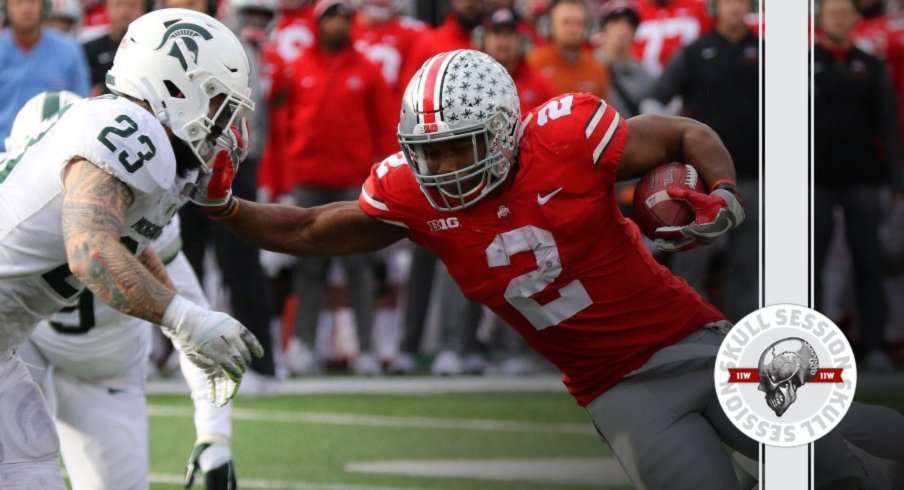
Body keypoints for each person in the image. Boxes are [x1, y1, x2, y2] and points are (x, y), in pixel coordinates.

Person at [0, 8, 263, 488]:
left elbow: (123, 239)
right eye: (218, 103)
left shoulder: (145, 148)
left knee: (32, 468)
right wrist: (185, 320)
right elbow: (90, 250)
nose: (228, 125)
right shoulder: (131, 129)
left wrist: (184, 327)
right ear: (176, 88)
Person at [645, 0, 759, 323]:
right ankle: (684, 332)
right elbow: (656, 99)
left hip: (754, 174)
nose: (734, 8)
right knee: (693, 260)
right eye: (728, 2)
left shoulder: (765, 51)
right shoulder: (695, 52)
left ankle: (744, 338)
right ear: (716, 7)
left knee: (748, 265)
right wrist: (666, 150)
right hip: (704, 180)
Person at [815, 0, 904, 370]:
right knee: (811, 263)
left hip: (864, 177)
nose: (837, 18)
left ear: (854, 20)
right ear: (820, 19)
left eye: (843, 13)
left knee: (869, 262)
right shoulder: (803, 63)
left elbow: (888, 125)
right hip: (813, 178)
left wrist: (896, 178)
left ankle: (874, 344)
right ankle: (812, 343)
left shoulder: (870, 66)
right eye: (831, 12)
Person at [0, 0, 90, 142]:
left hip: (53, 149)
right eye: (17, 2)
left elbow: (82, 105)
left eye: (33, 2)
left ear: (44, 6)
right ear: (6, 8)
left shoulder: (69, 50)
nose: (26, 7)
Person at [526, 0, 610, 98]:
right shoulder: (533, 63)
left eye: (578, 23)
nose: (572, 29)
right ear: (551, 26)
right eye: (565, 23)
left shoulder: (597, 68)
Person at [595, 0, 654, 118]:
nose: (622, 28)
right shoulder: (588, 67)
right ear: (603, 27)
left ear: (635, 30)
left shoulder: (645, 76)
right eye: (615, 21)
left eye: (629, 23)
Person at [81, 0, 149, 96]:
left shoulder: (151, 46)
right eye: (118, 4)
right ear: (106, 9)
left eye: (131, 5)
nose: (124, 10)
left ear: (144, 9)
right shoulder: (88, 49)